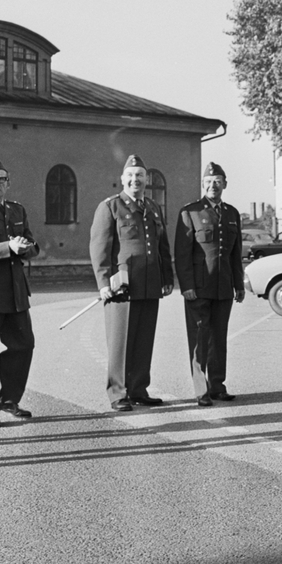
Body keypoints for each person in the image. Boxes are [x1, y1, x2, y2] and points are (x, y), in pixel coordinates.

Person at [90, 154, 173, 411]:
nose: (135, 179)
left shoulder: (153, 207)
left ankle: (138, 389)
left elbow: (162, 245)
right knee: (120, 342)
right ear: (122, 179)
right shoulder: (110, 207)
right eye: (131, 175)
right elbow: (99, 248)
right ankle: (118, 393)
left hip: (150, 283)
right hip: (122, 286)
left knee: (144, 340)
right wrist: (104, 283)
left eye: (140, 175)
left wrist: (167, 277)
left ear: (146, 179)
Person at [175, 162, 245, 407]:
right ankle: (200, 389)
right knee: (199, 338)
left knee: (219, 337)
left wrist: (239, 284)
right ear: (202, 185)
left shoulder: (232, 213)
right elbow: (182, 254)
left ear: (225, 184)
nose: (212, 186)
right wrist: (187, 286)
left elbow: (235, 253)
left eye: (217, 182)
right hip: (199, 287)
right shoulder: (190, 212)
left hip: (223, 285)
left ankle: (217, 386)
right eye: (208, 182)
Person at [0, 157, 39, 426]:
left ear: (8, 183)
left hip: (16, 293)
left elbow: (31, 242)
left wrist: (26, 247)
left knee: (23, 344)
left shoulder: (17, 210)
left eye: (1, 179)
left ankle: (9, 400)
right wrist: (8, 247)